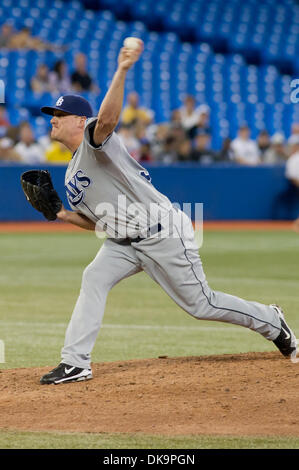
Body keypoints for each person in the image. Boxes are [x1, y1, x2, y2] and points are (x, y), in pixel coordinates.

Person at [38, 40, 298, 385]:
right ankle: (75, 362)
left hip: (161, 231)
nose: (53, 120)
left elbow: (110, 118)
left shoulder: (94, 139)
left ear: (79, 121)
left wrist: (123, 69)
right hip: (121, 241)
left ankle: (271, 320)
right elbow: (99, 221)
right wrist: (61, 215)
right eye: (51, 116)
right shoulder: (71, 173)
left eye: (59, 115)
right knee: (94, 278)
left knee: (202, 305)